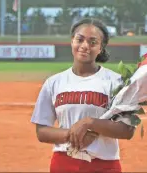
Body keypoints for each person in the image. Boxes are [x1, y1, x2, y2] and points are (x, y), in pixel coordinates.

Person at [31, 18, 136, 173]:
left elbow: (127, 130)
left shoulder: (116, 82)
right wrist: (72, 135)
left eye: (93, 42)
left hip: (104, 165)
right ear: (72, 42)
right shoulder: (54, 82)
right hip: (63, 164)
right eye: (79, 39)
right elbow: (41, 131)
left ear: (101, 48)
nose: (85, 46)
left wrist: (89, 123)